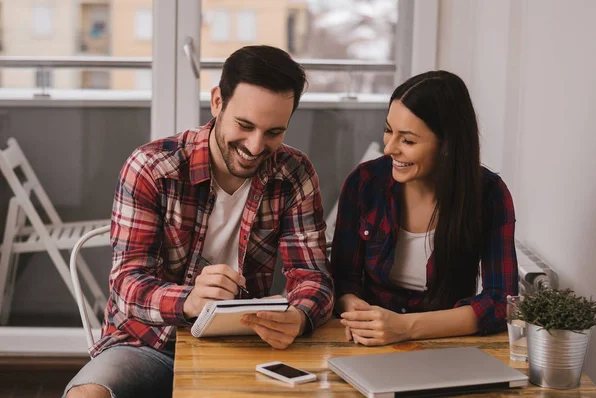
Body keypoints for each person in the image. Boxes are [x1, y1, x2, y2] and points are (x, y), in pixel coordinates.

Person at [65, 45, 334, 398]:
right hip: (149, 344)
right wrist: (190, 300)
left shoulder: (294, 173)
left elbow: (314, 276)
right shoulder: (151, 167)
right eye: (245, 125)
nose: (255, 146)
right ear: (218, 102)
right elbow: (126, 284)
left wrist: (297, 317)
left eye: (273, 132)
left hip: (247, 346)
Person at [331, 70, 517, 346]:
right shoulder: (364, 182)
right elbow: (342, 278)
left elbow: (501, 302)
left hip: (448, 343)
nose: (389, 149)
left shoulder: (489, 194)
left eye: (407, 140)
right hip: (367, 340)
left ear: (446, 146)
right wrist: (355, 309)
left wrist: (405, 327)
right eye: (388, 131)